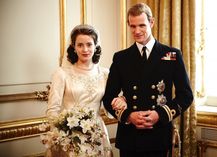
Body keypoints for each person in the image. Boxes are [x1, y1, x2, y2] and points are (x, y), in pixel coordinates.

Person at [102, 3, 193, 157]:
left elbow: (186, 95)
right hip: (130, 137)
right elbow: (108, 97)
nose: (137, 31)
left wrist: (159, 115)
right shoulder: (121, 58)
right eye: (133, 26)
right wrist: (128, 116)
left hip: (158, 134)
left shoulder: (172, 55)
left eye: (142, 25)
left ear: (152, 22)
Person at [46, 24, 113, 157]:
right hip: (70, 136)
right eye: (80, 45)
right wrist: (63, 130)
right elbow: (52, 110)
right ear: (74, 47)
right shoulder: (61, 73)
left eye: (89, 44)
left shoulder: (105, 74)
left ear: (96, 46)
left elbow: (110, 108)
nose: (85, 49)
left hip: (97, 134)